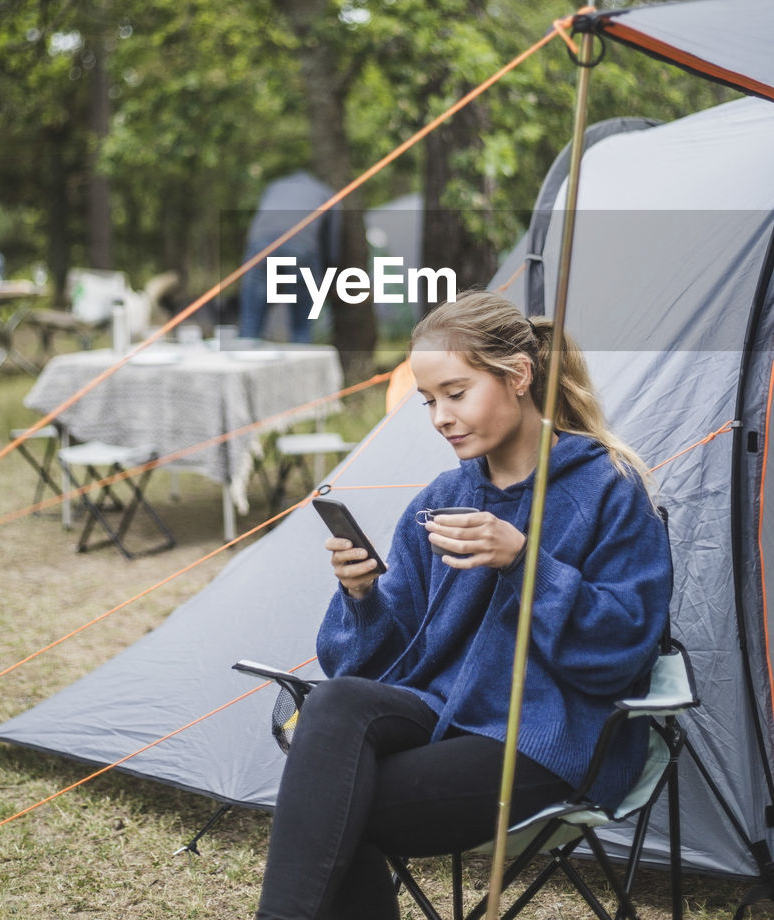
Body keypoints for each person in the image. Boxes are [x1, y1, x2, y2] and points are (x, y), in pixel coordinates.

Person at [255, 290, 673, 920]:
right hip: (446, 713)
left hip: (551, 736)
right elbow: (369, 665)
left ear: (518, 376)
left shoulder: (607, 489)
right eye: (428, 401)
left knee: (337, 808)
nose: (441, 417)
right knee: (334, 704)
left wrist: (523, 561)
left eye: (456, 392)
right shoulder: (444, 497)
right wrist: (362, 595)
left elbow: (621, 653)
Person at [238, 171, 341, 343]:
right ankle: (301, 362)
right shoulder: (326, 193)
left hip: (260, 249)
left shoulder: (274, 187)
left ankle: (243, 360)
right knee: (301, 325)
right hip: (302, 247)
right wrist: (330, 275)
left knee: (251, 321)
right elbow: (332, 241)